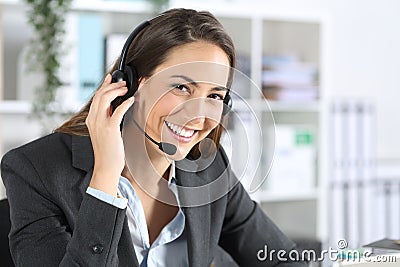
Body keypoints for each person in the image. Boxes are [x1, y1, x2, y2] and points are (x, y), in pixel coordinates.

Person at [1, 8, 307, 267]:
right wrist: (105, 180)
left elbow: (285, 259)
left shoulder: (208, 169)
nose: (198, 116)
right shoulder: (34, 170)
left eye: (214, 95)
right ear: (130, 85)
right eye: (181, 88)